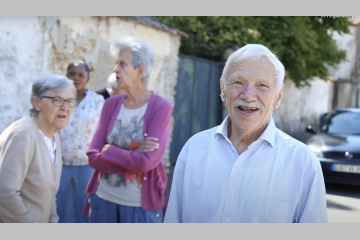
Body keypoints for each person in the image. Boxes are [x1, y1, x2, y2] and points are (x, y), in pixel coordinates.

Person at [164, 44, 328, 223]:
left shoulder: (302, 163)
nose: (248, 95)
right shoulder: (194, 149)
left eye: (262, 85)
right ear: (223, 90)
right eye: (238, 82)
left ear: (278, 96)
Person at [83, 36, 173, 223]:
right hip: (102, 200)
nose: (115, 69)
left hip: (138, 208)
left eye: (122, 64)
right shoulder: (111, 104)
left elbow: (146, 163)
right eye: (116, 63)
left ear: (140, 70)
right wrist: (131, 159)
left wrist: (110, 151)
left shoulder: (161, 107)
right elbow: (93, 156)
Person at [0, 74, 76, 223]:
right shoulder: (23, 135)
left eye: (70, 101)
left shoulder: (54, 137)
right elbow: (5, 192)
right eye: (57, 100)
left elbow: (50, 194)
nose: (65, 107)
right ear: (37, 103)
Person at [56, 60, 105, 223]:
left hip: (87, 164)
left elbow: (104, 129)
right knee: (57, 206)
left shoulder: (97, 101)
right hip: (59, 163)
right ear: (66, 76)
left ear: (88, 78)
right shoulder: (57, 100)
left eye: (80, 75)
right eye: (72, 74)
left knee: (84, 207)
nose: (76, 78)